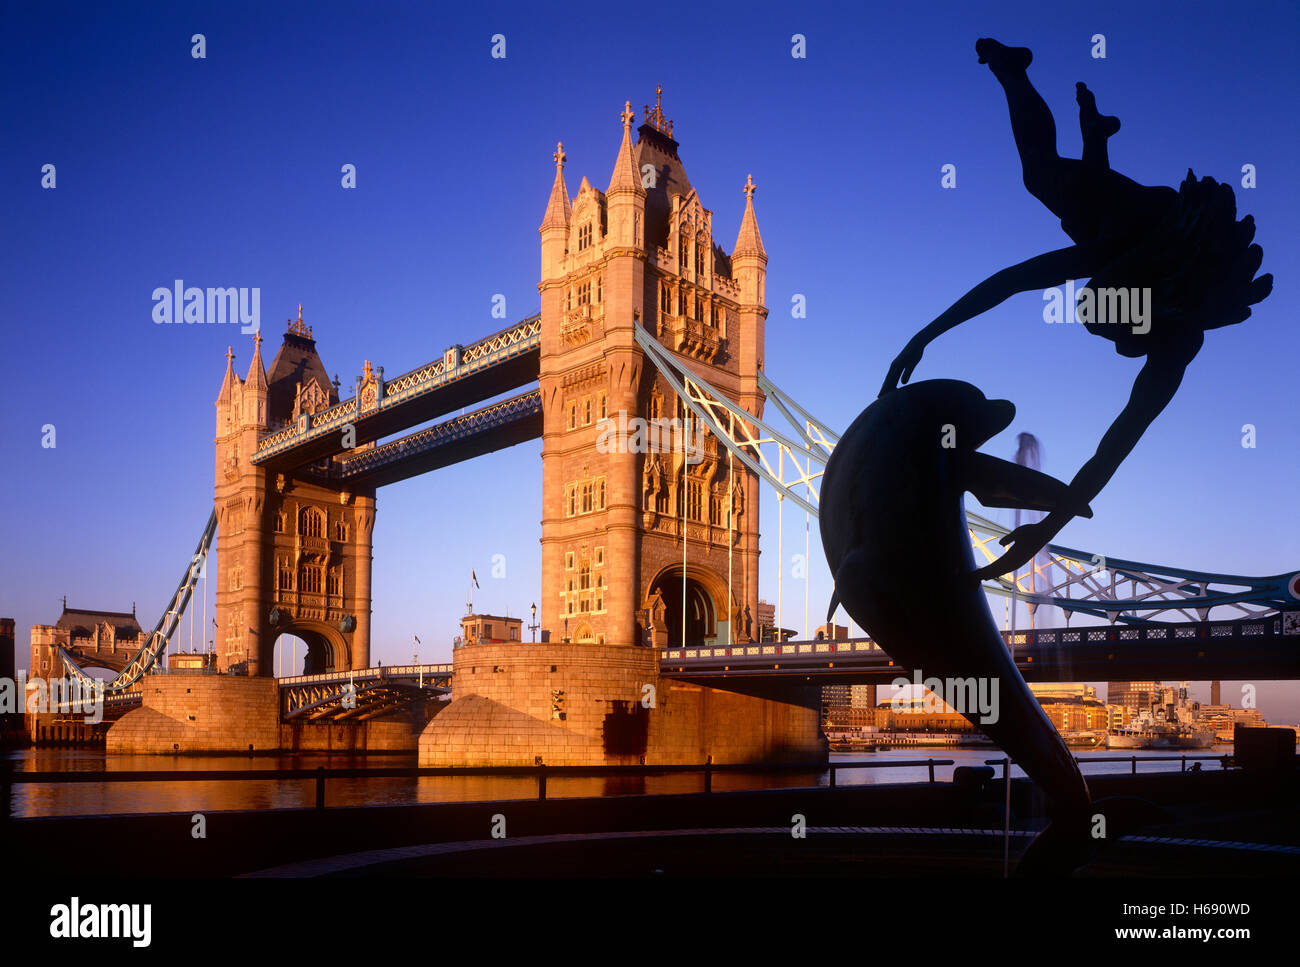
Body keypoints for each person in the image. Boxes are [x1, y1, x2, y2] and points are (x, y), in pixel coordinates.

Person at [880, 39, 1272, 579]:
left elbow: (1112, 449)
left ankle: (1096, 138)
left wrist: (1046, 530)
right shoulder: (1124, 245)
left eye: (1110, 334)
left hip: (1151, 242)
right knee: (1041, 176)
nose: (1113, 345)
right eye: (1107, 328)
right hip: (1145, 218)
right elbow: (1012, 281)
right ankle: (1014, 70)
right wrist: (926, 334)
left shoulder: (1177, 345)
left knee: (1078, 209)